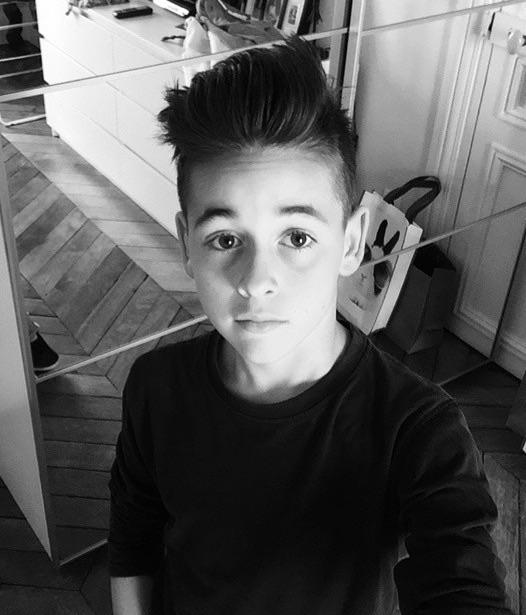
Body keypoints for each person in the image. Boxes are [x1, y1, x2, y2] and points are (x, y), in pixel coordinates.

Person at [108, 37, 512, 615]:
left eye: (296, 238)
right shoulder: (155, 388)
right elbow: (133, 539)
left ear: (350, 243)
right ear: (185, 245)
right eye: (225, 239)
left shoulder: (418, 430)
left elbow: (460, 579)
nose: (257, 281)